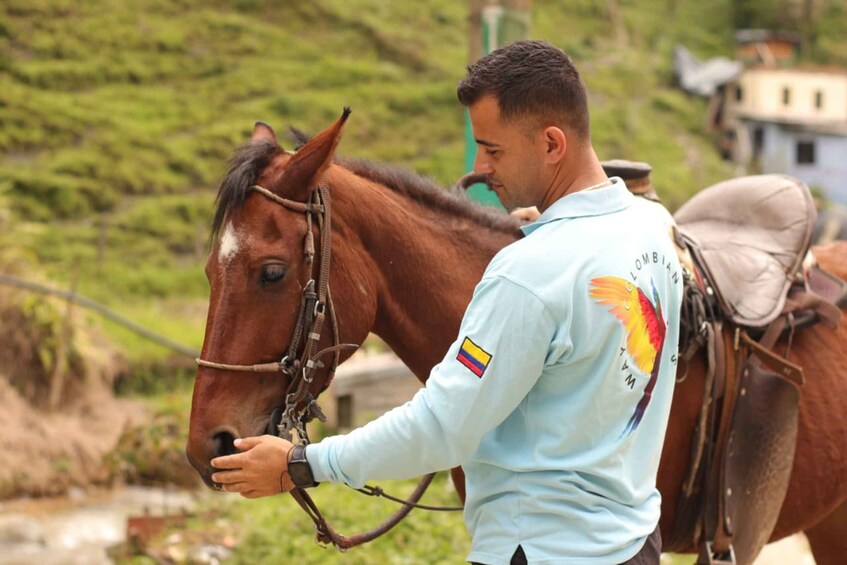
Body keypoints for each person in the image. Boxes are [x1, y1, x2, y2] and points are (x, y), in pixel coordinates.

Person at [211, 40, 683, 564]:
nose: (480, 166)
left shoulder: (528, 274)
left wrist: (301, 463)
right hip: (634, 544)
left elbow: (441, 427)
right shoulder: (651, 233)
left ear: (552, 144)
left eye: (494, 149)